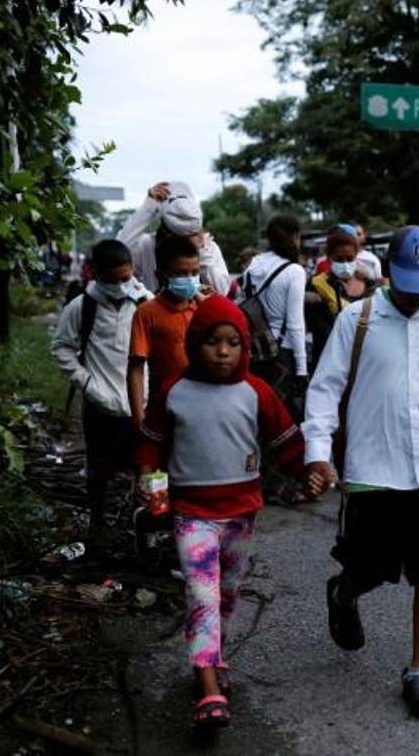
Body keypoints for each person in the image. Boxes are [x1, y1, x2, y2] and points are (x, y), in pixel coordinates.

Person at [304, 226, 419, 720]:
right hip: (371, 471)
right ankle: (343, 593)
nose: (416, 294)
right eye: (407, 282)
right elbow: (324, 389)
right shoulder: (357, 321)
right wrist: (317, 453)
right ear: (387, 272)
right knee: (370, 568)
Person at [135, 295, 304, 729]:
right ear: (195, 344)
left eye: (233, 343)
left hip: (241, 511)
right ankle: (208, 685)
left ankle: (213, 655)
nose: (223, 352)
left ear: (244, 347)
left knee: (226, 592)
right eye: (213, 342)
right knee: (202, 593)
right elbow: (151, 440)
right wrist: (147, 474)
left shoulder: (256, 391)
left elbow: (286, 442)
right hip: (191, 511)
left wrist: (308, 473)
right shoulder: (175, 390)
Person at [52, 240, 152, 534]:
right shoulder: (82, 307)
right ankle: (99, 528)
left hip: (142, 406)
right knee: (99, 471)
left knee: (149, 469)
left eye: (127, 278)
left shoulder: (146, 302)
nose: (122, 286)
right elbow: (61, 347)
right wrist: (87, 383)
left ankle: (151, 527)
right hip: (100, 407)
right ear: (95, 274)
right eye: (113, 280)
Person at [127, 236, 202, 428]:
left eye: (195, 272)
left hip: (203, 406)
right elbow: (136, 367)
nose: (190, 279)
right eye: (181, 273)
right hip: (164, 406)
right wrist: (139, 418)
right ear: (161, 275)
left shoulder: (203, 309)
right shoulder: (147, 313)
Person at [242, 216, 309, 412]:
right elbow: (296, 324)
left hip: (255, 349)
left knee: (258, 410)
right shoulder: (294, 271)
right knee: (281, 414)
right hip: (282, 352)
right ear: (295, 237)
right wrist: (302, 369)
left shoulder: (254, 264)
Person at [118, 181, 230, 295]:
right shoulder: (147, 244)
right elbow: (117, 255)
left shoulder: (209, 249)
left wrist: (202, 254)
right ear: (165, 228)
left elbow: (221, 291)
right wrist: (148, 208)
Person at [305, 226, 378, 371]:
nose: (345, 264)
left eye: (349, 259)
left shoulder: (368, 282)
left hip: (364, 362)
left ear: (356, 256)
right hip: (330, 362)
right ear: (329, 257)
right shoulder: (317, 285)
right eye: (339, 259)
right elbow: (319, 327)